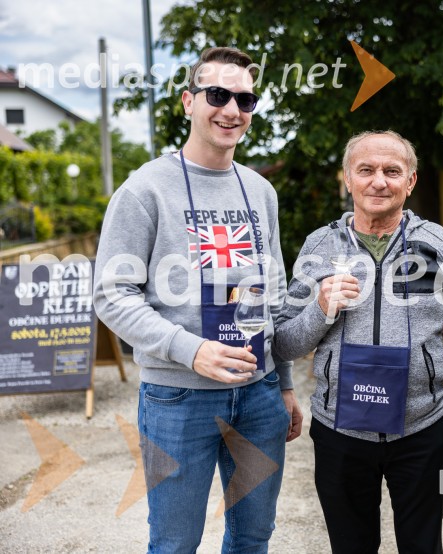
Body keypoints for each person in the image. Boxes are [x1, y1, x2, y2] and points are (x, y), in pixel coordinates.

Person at [93, 46, 302, 553]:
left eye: (246, 99)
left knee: (253, 537)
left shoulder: (260, 191)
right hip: (177, 397)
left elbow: (272, 293)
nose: (232, 109)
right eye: (217, 95)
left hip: (258, 393)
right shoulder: (144, 189)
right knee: (175, 542)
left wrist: (285, 383)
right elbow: (111, 294)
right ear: (188, 101)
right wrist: (191, 349)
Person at [273, 130, 443, 554]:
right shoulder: (319, 245)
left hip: (423, 432)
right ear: (347, 180)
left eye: (392, 171)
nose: (379, 181)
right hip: (339, 432)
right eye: (365, 170)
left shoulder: (435, 242)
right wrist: (320, 308)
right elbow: (282, 343)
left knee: (423, 547)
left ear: (410, 181)